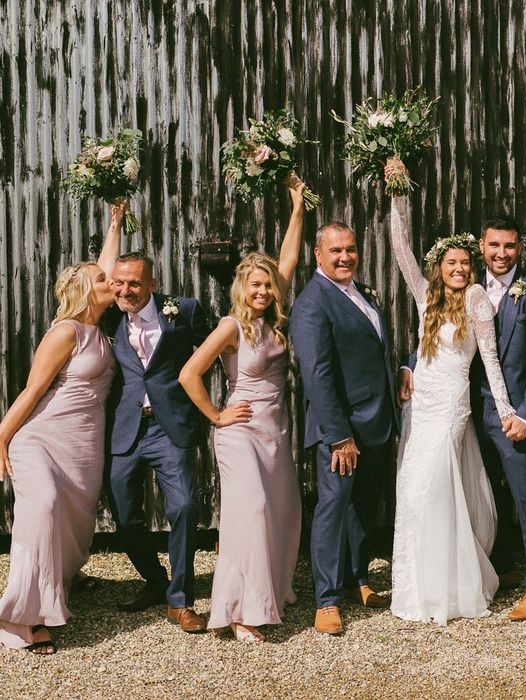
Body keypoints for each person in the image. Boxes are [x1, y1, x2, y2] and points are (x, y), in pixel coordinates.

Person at [403, 212, 526, 621]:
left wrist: (524, 415)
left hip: (513, 416)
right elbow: (431, 340)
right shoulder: (462, 292)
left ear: (520, 247)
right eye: (494, 246)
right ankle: (499, 567)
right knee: (481, 496)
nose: (502, 253)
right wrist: (408, 367)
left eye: (509, 246)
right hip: (464, 412)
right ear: (482, 248)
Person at [178, 184, 305, 642]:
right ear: (241, 288)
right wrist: (215, 415)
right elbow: (189, 374)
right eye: (256, 284)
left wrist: (296, 210)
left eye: (268, 285)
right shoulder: (230, 326)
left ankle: (270, 591)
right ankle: (239, 610)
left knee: (285, 511)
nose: (264, 290)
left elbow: (287, 260)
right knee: (249, 510)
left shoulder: (273, 320)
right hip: (240, 430)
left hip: (275, 430)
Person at [0, 202, 126, 653]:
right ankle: (22, 616)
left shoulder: (99, 327)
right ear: (84, 291)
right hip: (42, 438)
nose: (112, 282)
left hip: (83, 445)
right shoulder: (65, 332)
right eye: (102, 280)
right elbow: (32, 392)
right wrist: (1, 438)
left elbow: (105, 268)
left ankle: (59, 586)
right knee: (43, 507)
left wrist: (114, 223)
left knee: (74, 522)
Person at [388, 197, 516, 625]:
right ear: (439, 267)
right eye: (451, 263)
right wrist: (398, 194)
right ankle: (421, 586)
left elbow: (491, 361)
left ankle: (455, 586)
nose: (459, 269)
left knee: (434, 487)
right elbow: (400, 248)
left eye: (464, 262)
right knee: (411, 490)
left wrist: (506, 410)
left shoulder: (478, 298)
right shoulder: (427, 298)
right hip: (421, 405)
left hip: (451, 407)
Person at [289, 219, 397, 635]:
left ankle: (357, 578)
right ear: (318, 255)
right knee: (333, 509)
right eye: (335, 251)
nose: (345, 257)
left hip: (376, 422)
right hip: (342, 430)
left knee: (362, 507)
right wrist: (338, 436)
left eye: (350, 249)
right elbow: (317, 374)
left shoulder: (360, 292)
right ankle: (327, 599)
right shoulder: (312, 302)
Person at [106, 248, 209, 633]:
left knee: (183, 508)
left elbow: (215, 348)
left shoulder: (183, 310)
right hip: (124, 428)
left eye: (134, 283)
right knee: (125, 514)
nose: (126, 290)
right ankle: (155, 581)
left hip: (170, 426)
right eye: (119, 282)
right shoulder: (105, 313)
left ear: (152, 283)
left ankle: (180, 601)